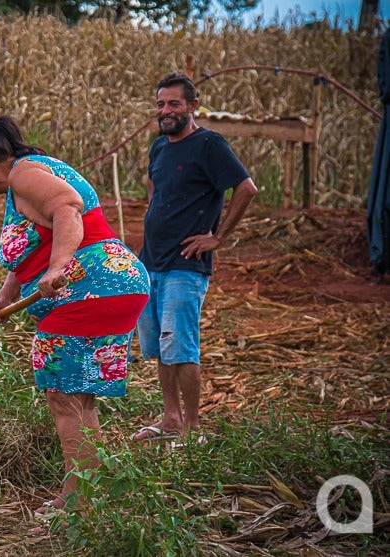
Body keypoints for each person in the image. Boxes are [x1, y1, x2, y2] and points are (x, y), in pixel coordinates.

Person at [0, 115, 150, 516]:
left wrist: (59, 266)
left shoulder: (23, 174)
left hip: (90, 287)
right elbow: (29, 253)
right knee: (77, 395)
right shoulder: (33, 175)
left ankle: (78, 504)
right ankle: (90, 493)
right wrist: (1, 301)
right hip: (113, 284)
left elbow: (68, 209)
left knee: (63, 395)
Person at [132, 72, 258, 442]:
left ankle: (192, 429)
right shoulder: (159, 146)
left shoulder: (209, 145)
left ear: (192, 106)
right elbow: (154, 186)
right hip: (152, 260)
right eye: (160, 104)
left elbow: (246, 188)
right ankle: (169, 419)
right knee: (159, 346)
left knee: (182, 347)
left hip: (185, 264)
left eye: (173, 103)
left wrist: (217, 237)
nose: (165, 110)